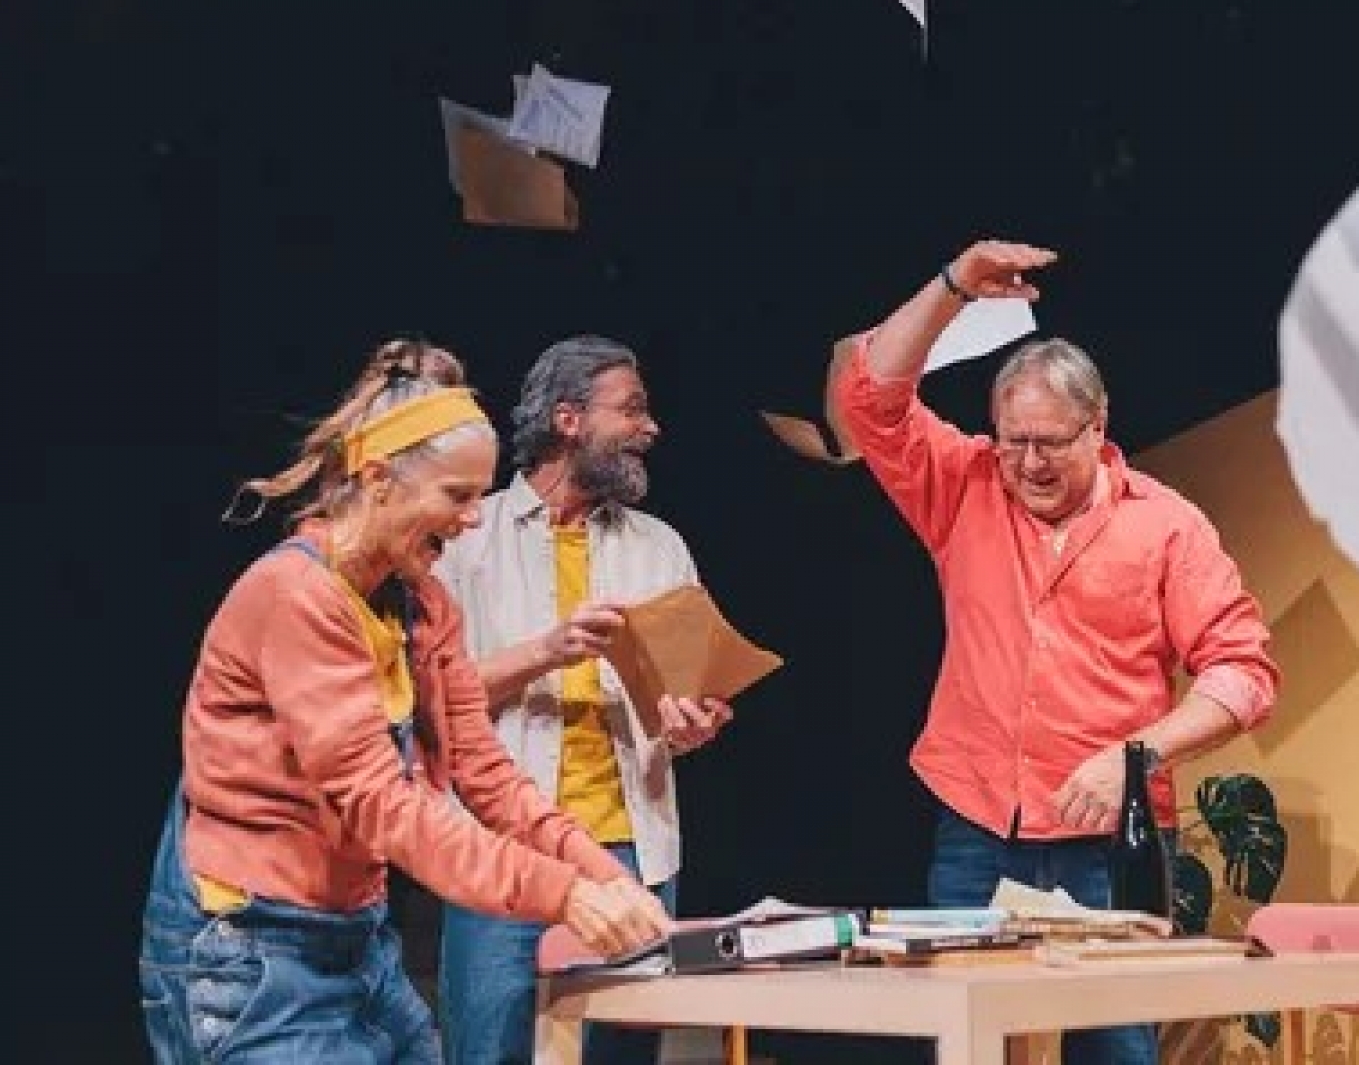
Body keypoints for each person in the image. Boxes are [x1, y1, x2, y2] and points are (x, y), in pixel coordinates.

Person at [137, 338, 671, 1065]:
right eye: (457, 496)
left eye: (479, 497)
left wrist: (606, 876)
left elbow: (486, 772)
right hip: (252, 949)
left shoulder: (423, 604)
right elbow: (384, 805)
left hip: (356, 940)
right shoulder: (295, 596)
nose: (473, 519)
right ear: (379, 480)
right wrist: (565, 894)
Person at [833, 241, 1281, 1065]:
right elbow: (869, 398)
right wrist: (954, 285)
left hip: (1108, 843)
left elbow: (1244, 673)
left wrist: (1136, 757)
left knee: (1115, 1050)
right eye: (1013, 442)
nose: (1028, 465)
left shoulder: (1167, 526)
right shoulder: (965, 485)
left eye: (1049, 443)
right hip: (977, 829)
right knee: (970, 1046)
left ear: (1098, 428)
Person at [434, 334, 733, 1065]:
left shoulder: (660, 547)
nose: (650, 428)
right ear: (568, 420)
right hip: (502, 847)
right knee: (492, 1050)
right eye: (631, 410)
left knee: (618, 1055)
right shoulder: (466, 541)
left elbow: (693, 692)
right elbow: (426, 697)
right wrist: (547, 650)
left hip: (632, 851)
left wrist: (693, 722)